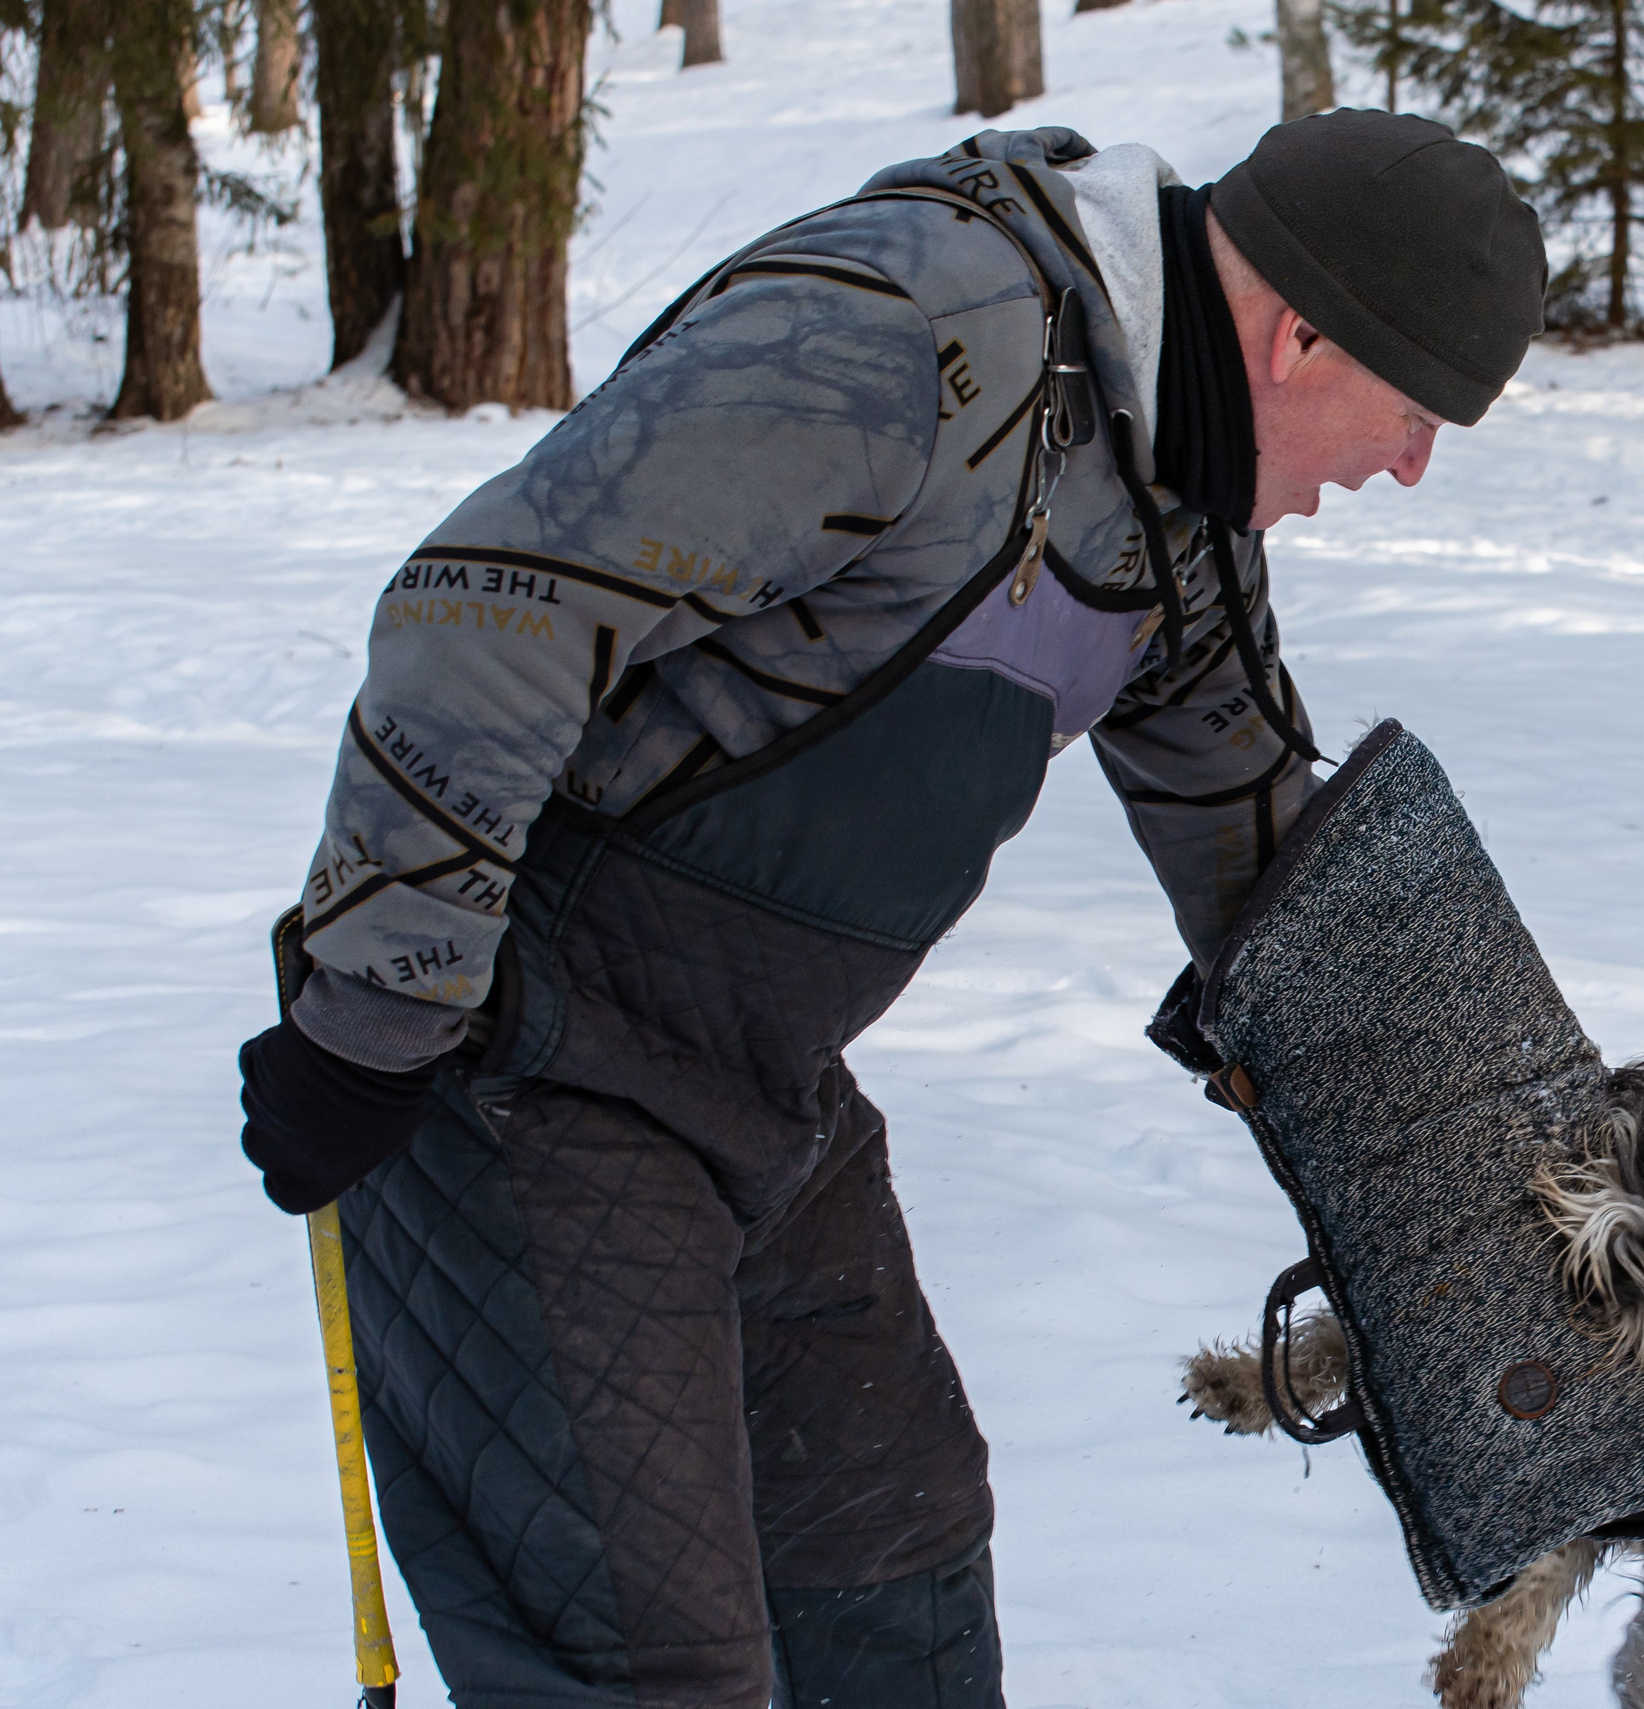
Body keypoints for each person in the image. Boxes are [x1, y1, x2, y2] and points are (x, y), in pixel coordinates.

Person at [236, 111, 1545, 1708]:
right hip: (529, 1062)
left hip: (763, 1082)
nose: (1404, 467)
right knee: (650, 1657)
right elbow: (487, 618)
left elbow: (1279, 878)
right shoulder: (907, 344)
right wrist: (372, 1024)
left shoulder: (1170, 500)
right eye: (1413, 418)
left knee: (893, 1562)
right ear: (1302, 334)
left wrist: (1543, 1203)